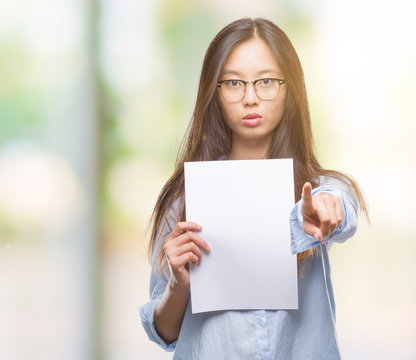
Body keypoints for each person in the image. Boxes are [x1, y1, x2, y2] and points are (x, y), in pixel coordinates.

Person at [139, 17, 368, 359]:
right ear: (213, 92)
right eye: (233, 83)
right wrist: (177, 284)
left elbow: (340, 208)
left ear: (290, 89)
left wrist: (325, 208)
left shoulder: (321, 187)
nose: (250, 98)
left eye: (266, 82)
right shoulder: (185, 197)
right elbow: (164, 334)